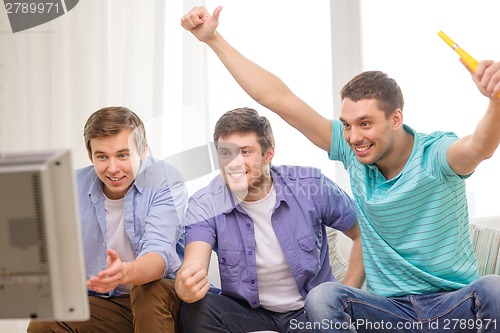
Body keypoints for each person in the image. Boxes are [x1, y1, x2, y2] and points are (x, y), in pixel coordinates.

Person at [180, 6, 500, 333]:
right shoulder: (351, 151)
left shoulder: (437, 155)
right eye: (347, 125)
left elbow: (479, 147)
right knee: (324, 297)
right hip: (388, 312)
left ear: (395, 119)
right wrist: (213, 39)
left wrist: (497, 101)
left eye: (365, 124)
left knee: (495, 288)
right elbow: (279, 98)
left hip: (453, 305)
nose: (354, 137)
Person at [175, 107, 362, 333]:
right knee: (197, 308)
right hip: (248, 313)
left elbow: (362, 233)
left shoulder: (310, 186)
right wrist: (186, 285)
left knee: (325, 304)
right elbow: (194, 263)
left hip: (308, 311)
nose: (234, 163)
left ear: (268, 154)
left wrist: (346, 294)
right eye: (226, 153)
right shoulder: (205, 202)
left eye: (245, 152)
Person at [28, 106, 188, 333]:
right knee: (46, 321)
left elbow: (159, 253)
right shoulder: (70, 186)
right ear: (90, 155)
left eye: (123, 155)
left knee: (146, 291)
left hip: (163, 298)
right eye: (102, 156)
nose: (113, 169)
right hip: (111, 303)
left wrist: (124, 272)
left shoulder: (164, 180)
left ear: (142, 151)